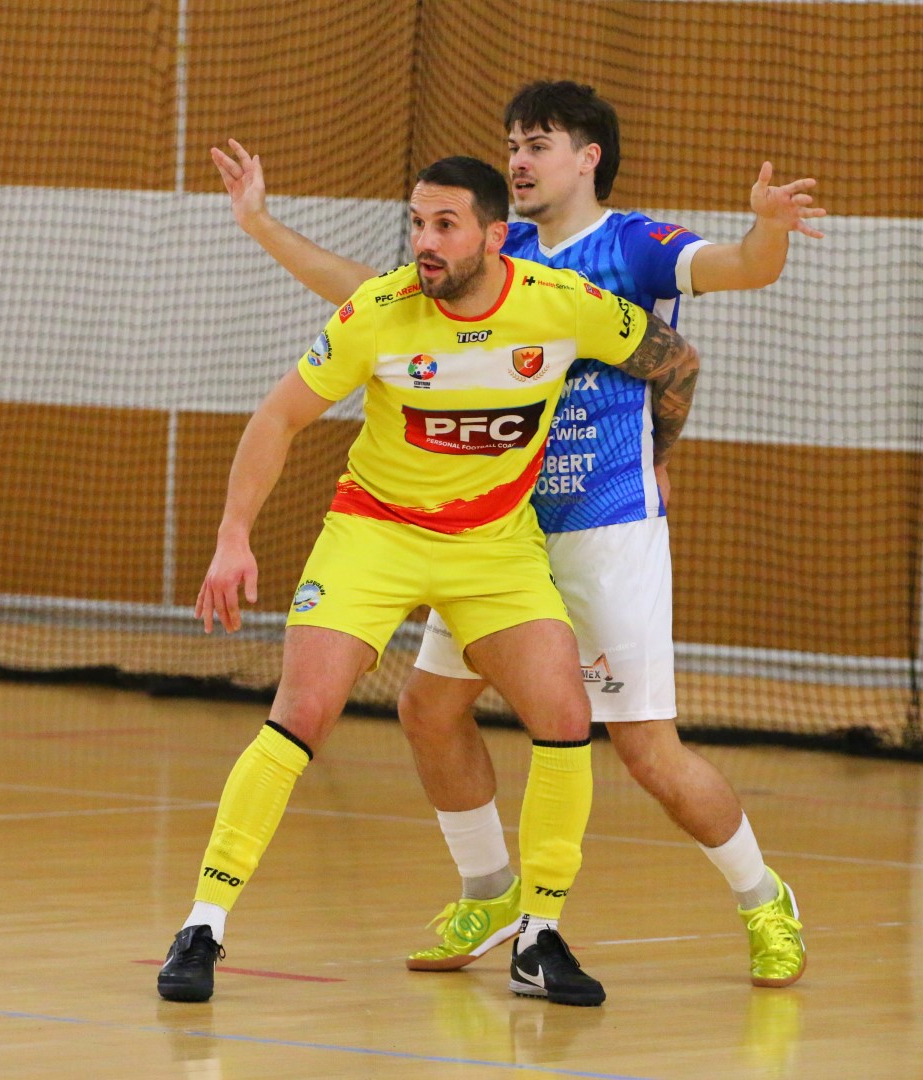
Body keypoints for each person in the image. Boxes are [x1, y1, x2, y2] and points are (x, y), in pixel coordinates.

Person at [211, 80, 823, 987]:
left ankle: (763, 897)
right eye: (511, 145)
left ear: (588, 158)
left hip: (607, 530)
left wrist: (765, 234)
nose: (519, 160)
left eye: (538, 144)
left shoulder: (634, 245)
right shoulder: (499, 245)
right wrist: (261, 225)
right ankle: (491, 891)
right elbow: (370, 299)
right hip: (502, 534)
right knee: (429, 710)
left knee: (645, 750)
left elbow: (734, 278)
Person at [158, 155, 704, 1008]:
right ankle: (203, 925)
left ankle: (539, 938)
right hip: (375, 534)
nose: (425, 242)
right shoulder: (379, 311)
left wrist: (655, 457)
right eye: (417, 223)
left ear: (495, 235)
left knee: (566, 716)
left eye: (444, 225)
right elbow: (279, 415)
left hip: (493, 546)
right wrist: (233, 537)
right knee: (302, 713)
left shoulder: (562, 304)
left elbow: (675, 361)